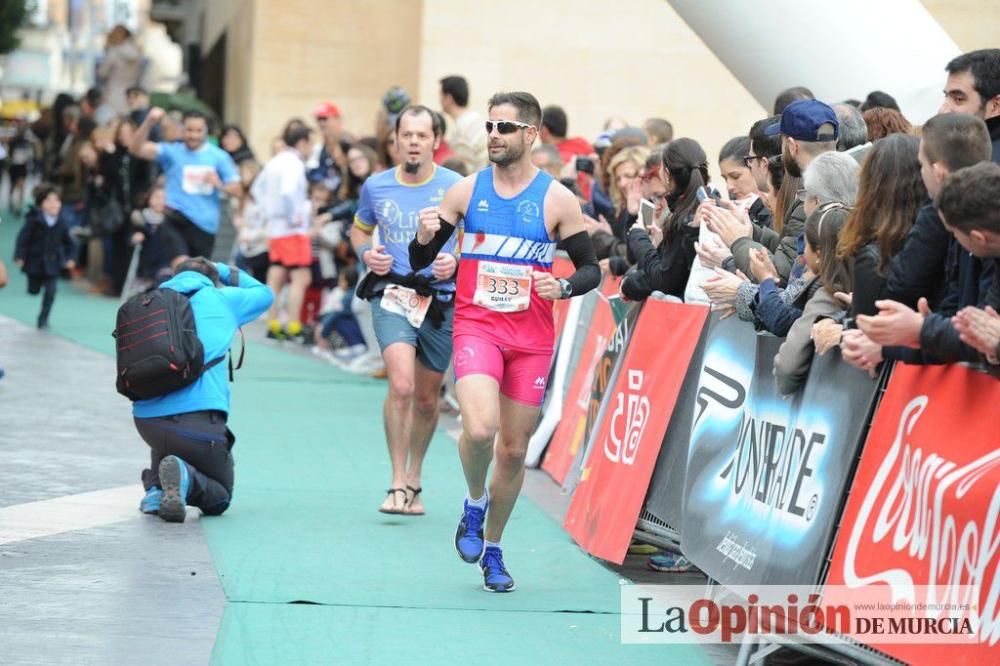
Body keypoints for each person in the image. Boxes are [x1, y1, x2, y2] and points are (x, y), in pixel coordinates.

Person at [410, 91, 600, 592]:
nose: (493, 135)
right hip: (477, 326)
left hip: (532, 339)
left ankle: (493, 547)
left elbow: (591, 270)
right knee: (479, 429)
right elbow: (418, 258)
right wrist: (423, 233)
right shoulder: (467, 192)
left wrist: (561, 285)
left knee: (513, 451)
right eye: (490, 126)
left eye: (505, 128)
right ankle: (475, 503)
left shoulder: (557, 199)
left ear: (531, 135)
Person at [349, 105, 463, 515]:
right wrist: (366, 252)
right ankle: (396, 482)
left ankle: (415, 477)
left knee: (428, 399)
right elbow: (359, 228)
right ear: (395, 140)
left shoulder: (456, 186)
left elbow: (475, 236)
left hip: (441, 299)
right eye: (407, 135)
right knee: (401, 386)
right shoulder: (376, 186)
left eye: (422, 135)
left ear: (435, 141)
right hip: (393, 294)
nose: (413, 142)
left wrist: (459, 259)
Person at [132, 257, 274, 522]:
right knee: (220, 496)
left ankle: (155, 490)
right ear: (211, 278)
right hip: (198, 423)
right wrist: (221, 268)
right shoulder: (222, 298)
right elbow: (265, 294)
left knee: (166, 427)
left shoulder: (150, 301)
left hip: (146, 421)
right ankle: (185, 477)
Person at [130, 108, 242, 265]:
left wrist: (218, 184)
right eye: (189, 130)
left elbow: (237, 189)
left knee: (200, 275)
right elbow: (136, 149)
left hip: (206, 225)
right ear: (182, 130)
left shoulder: (219, 157)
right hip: (175, 217)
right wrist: (148, 123)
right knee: (181, 265)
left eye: (198, 131)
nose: (194, 135)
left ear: (206, 131)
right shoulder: (171, 151)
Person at [14, 184, 75, 329]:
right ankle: (33, 286)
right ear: (41, 204)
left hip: (53, 263)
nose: (53, 205)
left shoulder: (62, 223)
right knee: (33, 290)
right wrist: (20, 256)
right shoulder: (33, 221)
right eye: (49, 201)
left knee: (51, 291)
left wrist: (70, 258)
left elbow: (70, 244)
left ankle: (43, 318)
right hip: (34, 261)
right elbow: (23, 239)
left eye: (56, 201)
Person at [440, 75, 488, 171]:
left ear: (448, 98)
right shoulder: (475, 119)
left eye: (441, 96)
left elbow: (464, 170)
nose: (440, 100)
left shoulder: (463, 130)